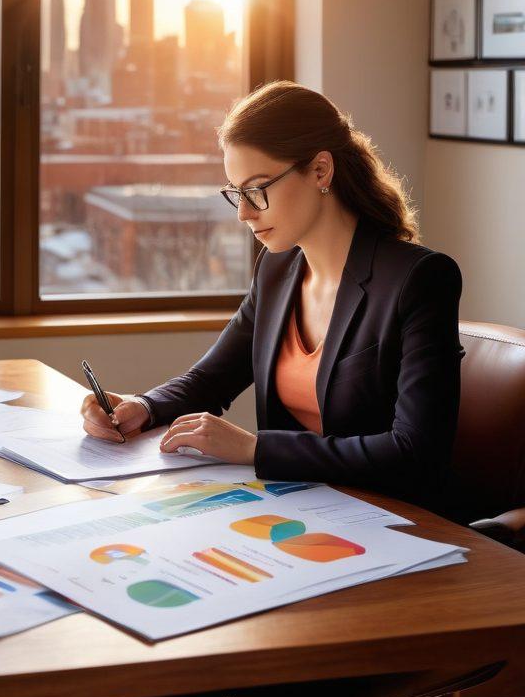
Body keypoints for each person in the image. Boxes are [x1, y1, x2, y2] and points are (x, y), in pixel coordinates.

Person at [81, 79, 465, 516]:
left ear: (321, 171)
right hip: (298, 511)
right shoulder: (278, 269)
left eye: (257, 188)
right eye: (236, 193)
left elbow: (414, 451)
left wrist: (255, 448)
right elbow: (211, 380)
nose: (244, 212)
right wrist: (142, 408)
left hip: (394, 521)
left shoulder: (419, 278)